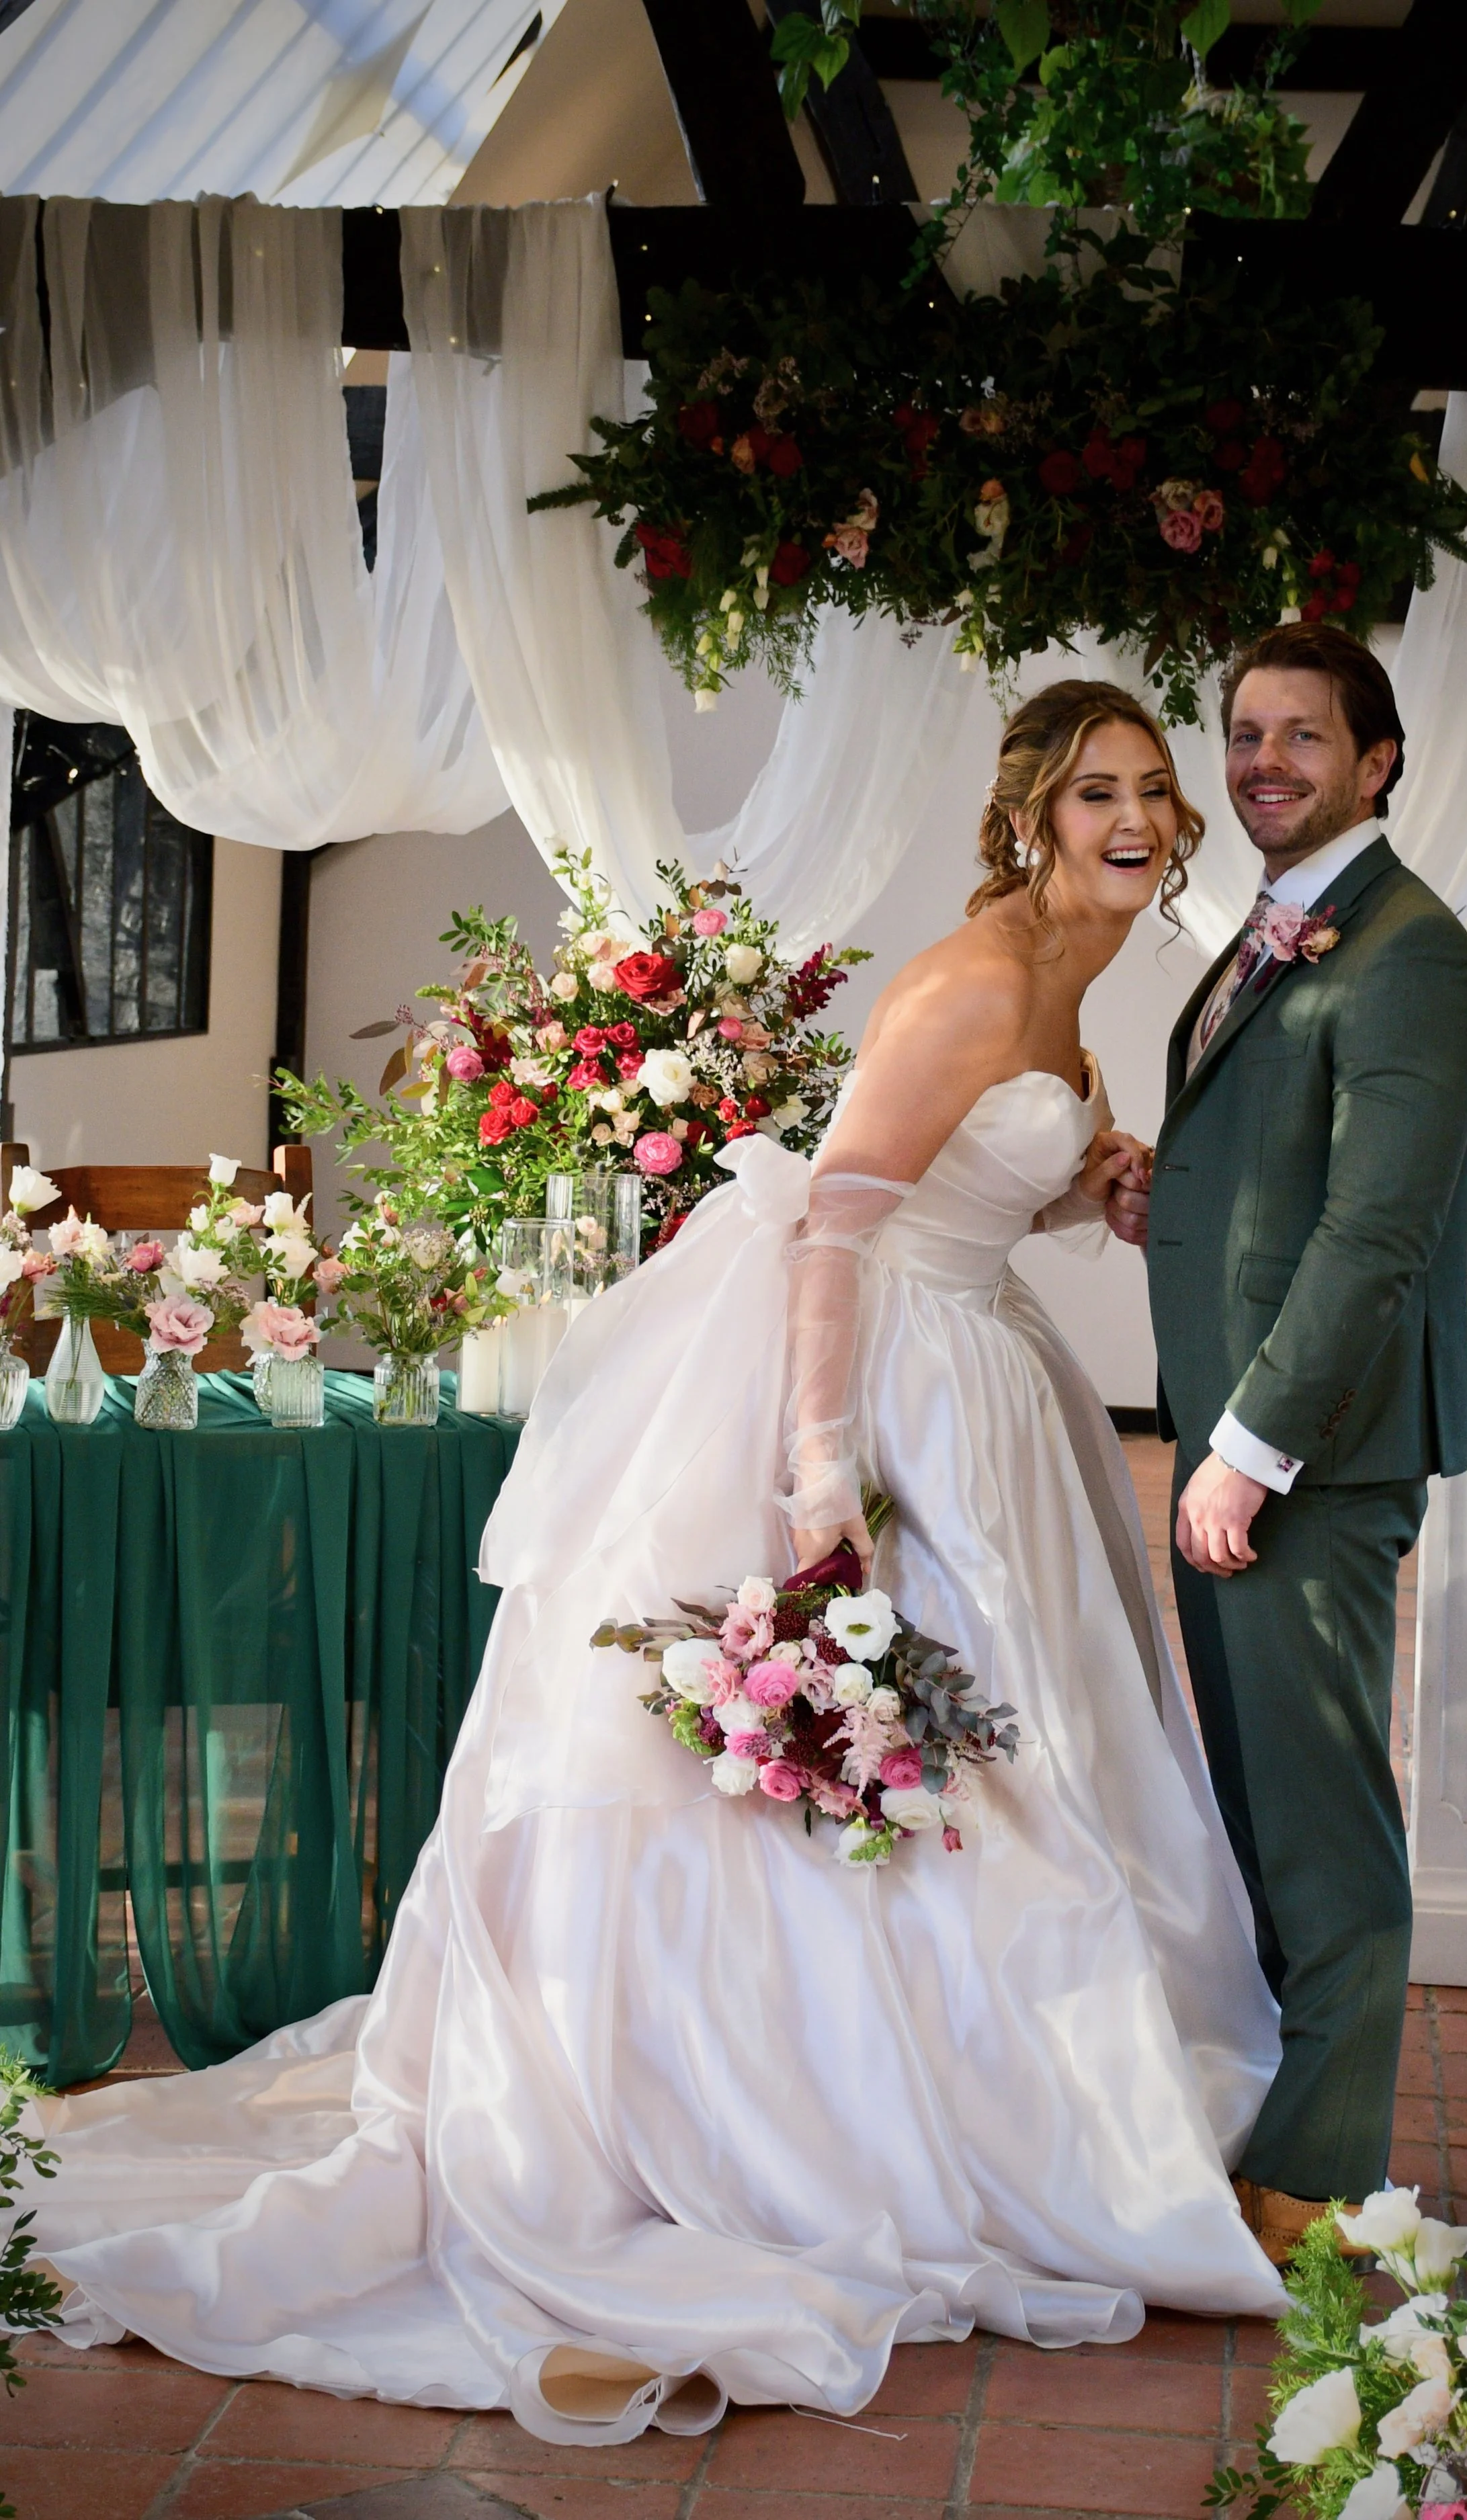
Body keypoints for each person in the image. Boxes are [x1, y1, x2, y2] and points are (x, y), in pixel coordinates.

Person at [15, 679, 1286, 2448]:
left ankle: (1028, 2095)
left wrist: (1090, 1178)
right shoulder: (980, 970)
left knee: (1025, 1770)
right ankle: (885, 2113)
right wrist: (824, 1484)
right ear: (1026, 819)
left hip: (995, 1381)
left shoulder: (1071, 976)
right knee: (949, 1785)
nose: (1134, 817)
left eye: (1153, 789)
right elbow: (841, 1218)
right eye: (1096, 792)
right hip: (896, 1396)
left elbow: (961, 1178)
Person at [1144, 622, 1467, 2267]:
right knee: (1261, 1810)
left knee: (1324, 1821)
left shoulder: (1408, 946)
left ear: (1376, 759)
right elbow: (1273, 1167)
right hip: (1242, 1441)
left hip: (1305, 1460)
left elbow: (1375, 1236)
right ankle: (1280, 2121)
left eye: (1299, 733)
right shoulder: (1274, 932)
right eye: (1242, 731)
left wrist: (1249, 1449)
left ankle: (1313, 2182)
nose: (1260, 758)